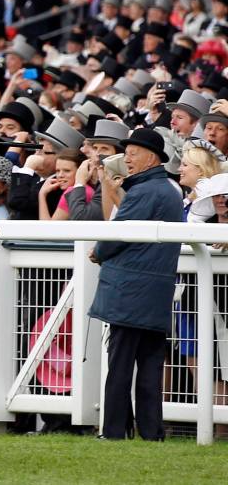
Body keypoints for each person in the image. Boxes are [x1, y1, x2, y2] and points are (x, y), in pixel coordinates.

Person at [88, 128, 183, 441]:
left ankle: (115, 431)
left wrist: (97, 252)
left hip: (129, 291)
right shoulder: (168, 188)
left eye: (133, 152)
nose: (126, 158)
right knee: (151, 365)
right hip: (155, 292)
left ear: (151, 157)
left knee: (120, 366)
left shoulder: (145, 192)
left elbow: (117, 235)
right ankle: (151, 431)